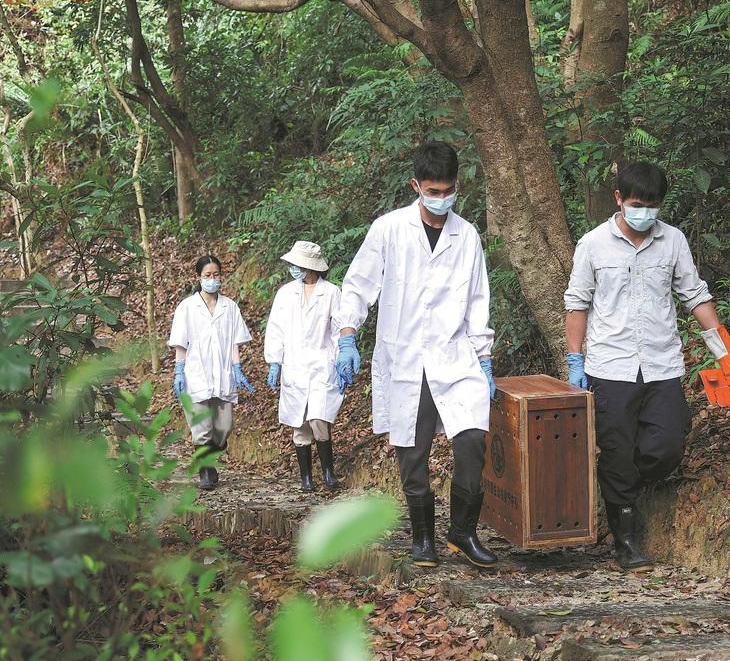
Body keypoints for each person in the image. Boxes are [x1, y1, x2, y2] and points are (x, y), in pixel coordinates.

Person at [563, 161, 730, 571]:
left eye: (651, 205)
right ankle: (625, 539)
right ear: (619, 199)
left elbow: (694, 295)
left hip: (662, 364)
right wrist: (575, 360)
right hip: (610, 366)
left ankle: (623, 488)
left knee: (666, 446)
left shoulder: (672, 240)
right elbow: (577, 304)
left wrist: (724, 351)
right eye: (636, 204)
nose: (643, 212)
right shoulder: (593, 244)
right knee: (616, 451)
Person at [335, 140, 498, 569]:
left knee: (472, 440)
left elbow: (478, 300)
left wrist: (484, 359)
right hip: (404, 357)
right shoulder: (389, 229)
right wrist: (347, 335)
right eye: (433, 191)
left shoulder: (467, 236)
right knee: (413, 449)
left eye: (448, 191)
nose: (441, 199)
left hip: (455, 354)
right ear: (416, 186)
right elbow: (358, 286)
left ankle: (462, 532)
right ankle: (423, 537)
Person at [169, 254, 256, 490]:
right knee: (202, 430)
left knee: (223, 428)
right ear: (199, 277)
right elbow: (180, 342)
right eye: (207, 275)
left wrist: (237, 367)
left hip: (223, 374)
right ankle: (205, 472)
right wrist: (179, 370)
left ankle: (212, 458)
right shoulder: (187, 307)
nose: (212, 279)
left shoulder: (230, 307)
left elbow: (235, 341)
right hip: (196, 374)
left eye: (216, 275)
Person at [264, 240, 344, 492]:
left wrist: (341, 358)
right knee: (299, 424)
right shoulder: (286, 293)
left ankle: (328, 472)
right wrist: (274, 361)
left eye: (297, 264)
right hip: (295, 365)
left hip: (322, 363)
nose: (293, 268)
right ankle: (306, 477)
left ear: (309, 266)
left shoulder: (331, 292)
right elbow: (276, 328)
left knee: (319, 418)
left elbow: (338, 330)